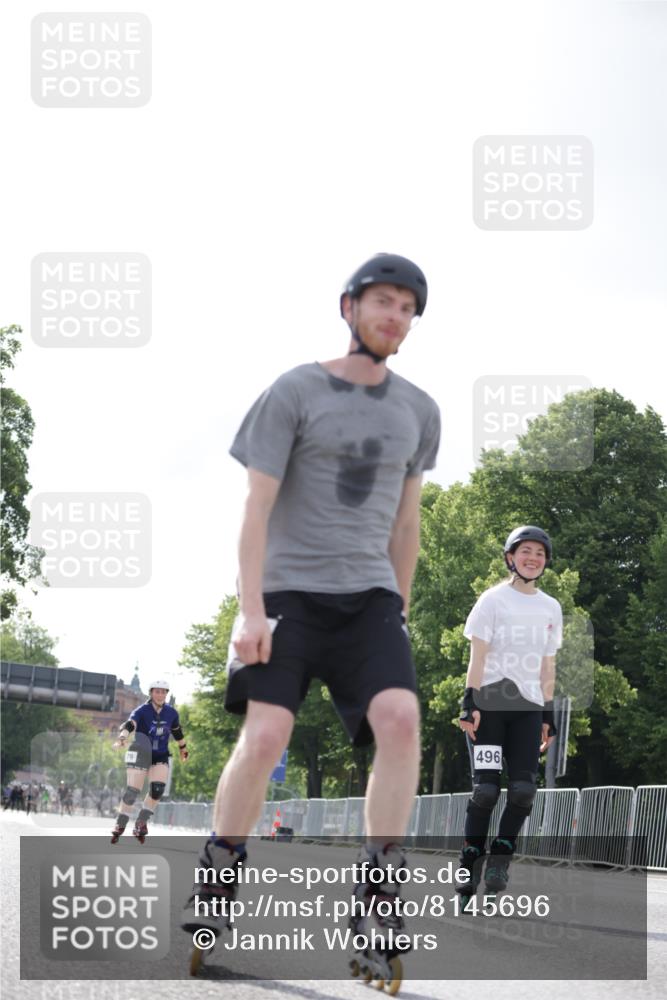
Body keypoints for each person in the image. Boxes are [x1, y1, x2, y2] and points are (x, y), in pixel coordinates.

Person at [182, 253, 441, 982]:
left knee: (400, 720)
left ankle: (377, 898)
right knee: (266, 735)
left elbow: (407, 523)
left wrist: (399, 610)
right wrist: (249, 610)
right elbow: (255, 507)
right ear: (349, 307)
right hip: (288, 595)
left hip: (369, 602)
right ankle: (219, 873)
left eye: (407, 308)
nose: (394, 317)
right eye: (383, 301)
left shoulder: (420, 410)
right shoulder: (294, 389)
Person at [456, 525, 563, 902]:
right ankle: (469, 862)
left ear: (545, 561)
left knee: (523, 791)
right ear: (510, 557)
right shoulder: (492, 600)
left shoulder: (551, 607)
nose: (533, 558)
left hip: (528, 709)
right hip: (489, 705)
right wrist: (469, 702)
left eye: (539, 553)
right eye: (525, 551)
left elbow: (547, 664)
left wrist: (548, 714)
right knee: (485, 791)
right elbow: (478, 657)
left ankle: (499, 860)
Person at [111, 680, 188, 843]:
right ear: (151, 693)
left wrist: (183, 748)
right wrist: (122, 738)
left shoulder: (171, 713)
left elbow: (177, 731)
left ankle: (141, 822)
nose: (160, 695)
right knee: (132, 792)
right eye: (157, 691)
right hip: (140, 752)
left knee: (157, 789)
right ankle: (121, 822)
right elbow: (130, 724)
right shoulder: (141, 711)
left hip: (160, 754)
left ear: (166, 694)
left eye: (163, 692)